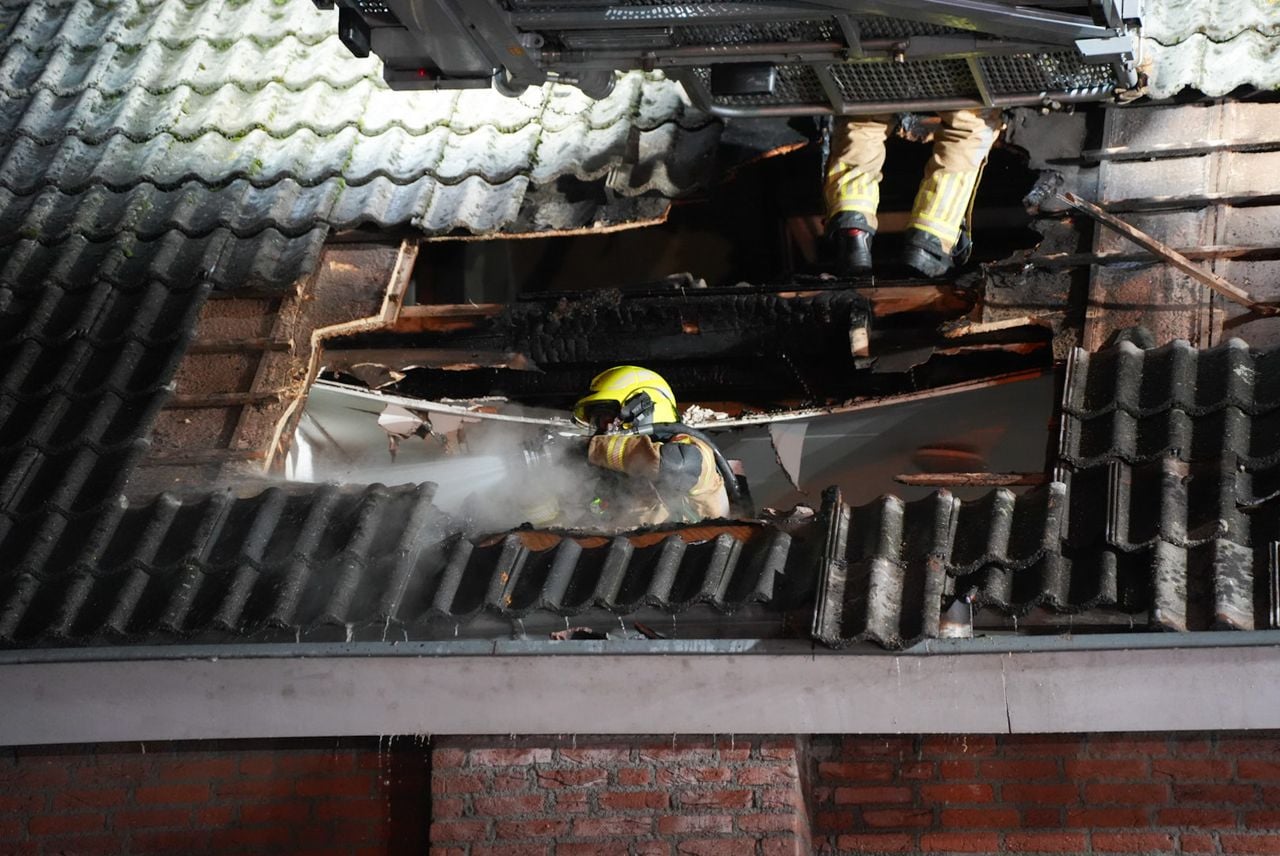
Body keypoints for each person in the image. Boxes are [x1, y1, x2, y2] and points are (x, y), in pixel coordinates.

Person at [824, 108, 1004, 277]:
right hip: (952, 80)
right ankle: (930, 241)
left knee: (863, 122)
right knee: (971, 129)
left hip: (875, 77)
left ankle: (853, 228)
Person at [573, 365, 731, 525]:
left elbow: (679, 467)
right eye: (597, 422)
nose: (601, 431)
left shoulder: (689, 447)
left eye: (606, 420)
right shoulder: (617, 474)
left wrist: (593, 449)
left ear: (642, 411)